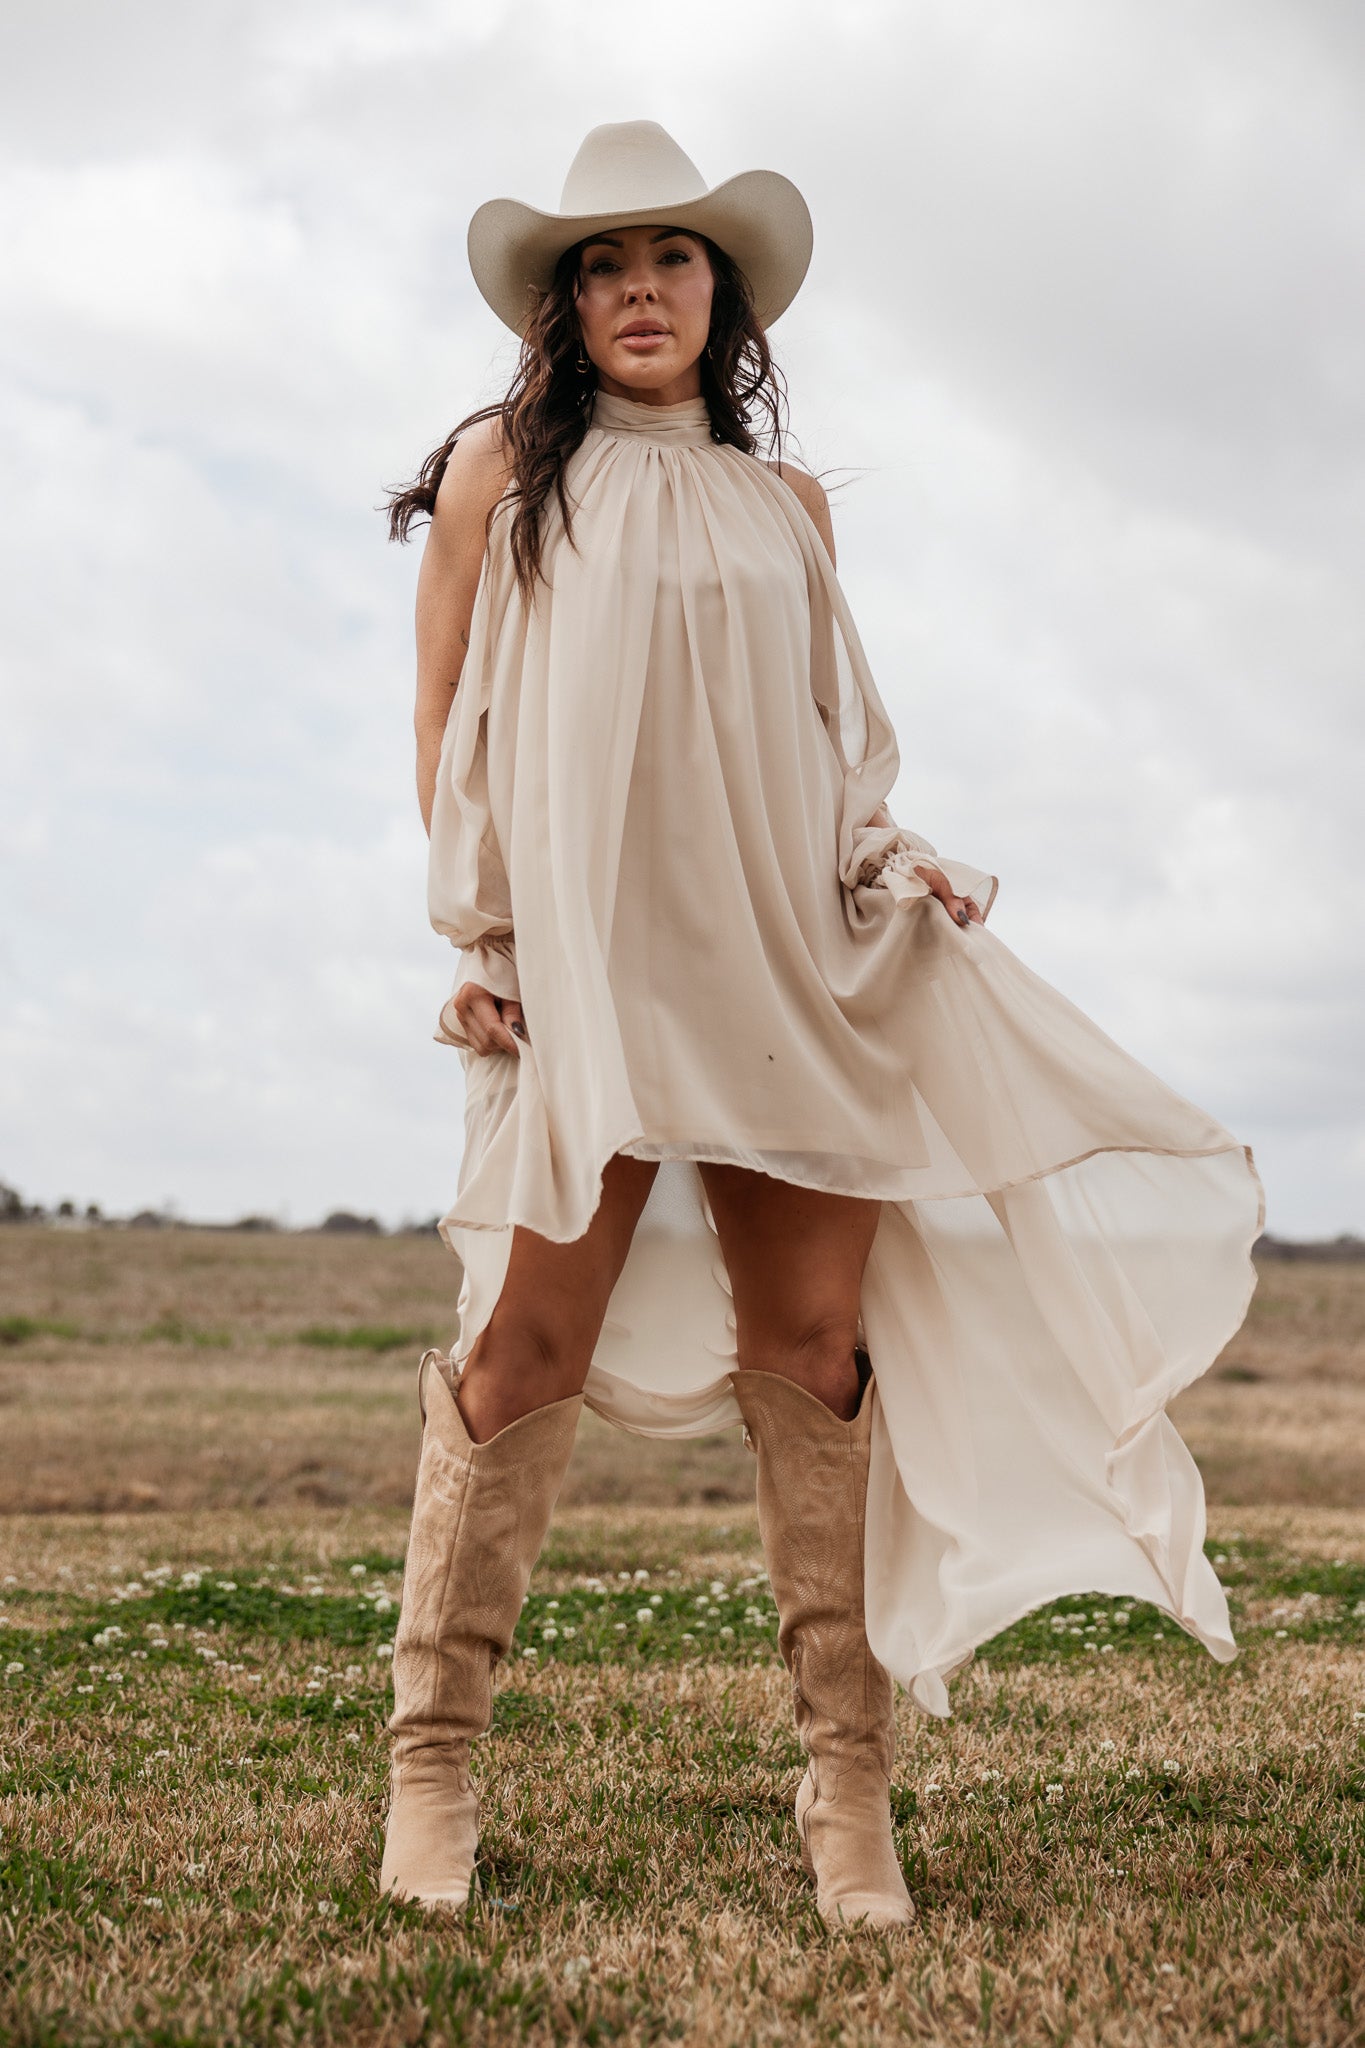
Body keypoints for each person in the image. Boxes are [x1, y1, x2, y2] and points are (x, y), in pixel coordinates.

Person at [378, 119, 1265, 1930]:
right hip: (589, 977)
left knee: (815, 1349)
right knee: (521, 1347)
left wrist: (890, 858)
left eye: (673, 258)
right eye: (606, 262)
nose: (641, 286)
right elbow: (449, 718)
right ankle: (432, 1770)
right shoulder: (501, 476)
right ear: (564, 304)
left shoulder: (787, 508)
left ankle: (846, 1790)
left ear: (723, 296)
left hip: (790, 960)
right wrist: (478, 935)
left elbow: (820, 744)